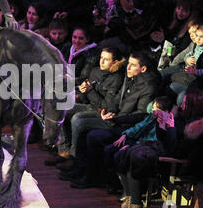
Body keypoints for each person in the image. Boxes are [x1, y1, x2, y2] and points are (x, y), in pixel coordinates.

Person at [59, 52, 160, 188]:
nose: (128, 67)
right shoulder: (130, 79)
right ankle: (80, 168)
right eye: (128, 63)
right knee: (82, 129)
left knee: (89, 131)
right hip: (115, 118)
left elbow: (141, 115)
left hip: (126, 126)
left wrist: (117, 118)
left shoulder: (148, 87)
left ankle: (91, 177)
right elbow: (116, 99)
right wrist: (110, 111)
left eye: (133, 65)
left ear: (143, 69)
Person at [45, 47, 125, 169]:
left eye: (106, 59)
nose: (102, 61)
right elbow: (85, 94)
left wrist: (90, 91)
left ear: (115, 62)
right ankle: (63, 151)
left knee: (77, 119)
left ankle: (74, 157)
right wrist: (81, 90)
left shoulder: (117, 78)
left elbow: (107, 106)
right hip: (89, 105)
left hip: (102, 112)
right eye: (101, 58)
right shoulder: (95, 71)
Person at [107, 96, 176, 208]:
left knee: (133, 166)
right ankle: (129, 201)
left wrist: (164, 125)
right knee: (120, 157)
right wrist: (126, 135)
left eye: (157, 108)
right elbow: (138, 128)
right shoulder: (151, 118)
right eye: (153, 107)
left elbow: (165, 143)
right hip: (144, 148)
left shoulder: (169, 122)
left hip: (157, 157)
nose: (153, 110)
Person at [167, 23, 203, 105]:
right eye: (197, 35)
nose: (197, 39)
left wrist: (196, 71)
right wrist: (187, 58)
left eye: (201, 37)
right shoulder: (197, 45)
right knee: (170, 78)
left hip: (199, 80)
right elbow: (189, 53)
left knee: (173, 81)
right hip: (191, 73)